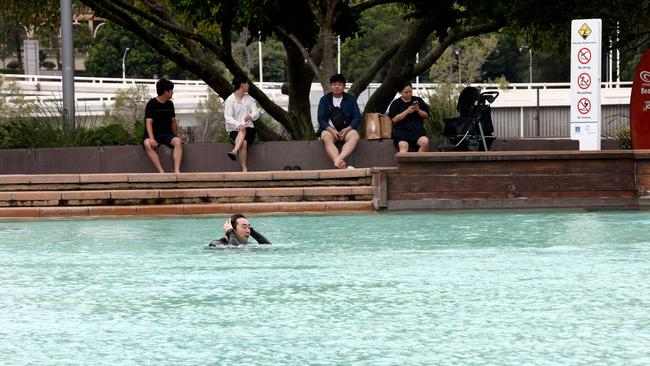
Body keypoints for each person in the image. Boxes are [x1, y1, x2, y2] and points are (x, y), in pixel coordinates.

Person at [317, 74, 362, 169]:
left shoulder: (350, 99)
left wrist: (347, 129)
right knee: (326, 139)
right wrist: (331, 130)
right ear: (330, 86)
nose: (337, 87)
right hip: (329, 130)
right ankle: (341, 164)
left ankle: (338, 160)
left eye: (340, 84)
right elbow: (321, 119)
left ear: (344, 86)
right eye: (334, 84)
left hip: (347, 129)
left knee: (355, 136)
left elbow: (357, 117)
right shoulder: (324, 100)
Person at [142, 78, 183, 173]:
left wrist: (175, 136)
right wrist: (151, 138)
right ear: (166, 91)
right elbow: (148, 122)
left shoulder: (170, 104)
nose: (172, 93)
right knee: (147, 144)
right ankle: (161, 171)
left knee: (177, 141)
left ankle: (177, 171)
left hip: (166, 134)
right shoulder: (152, 104)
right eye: (171, 90)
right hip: (153, 134)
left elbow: (173, 121)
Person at [224, 75, 261, 172]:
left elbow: (256, 113)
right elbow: (228, 117)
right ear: (242, 85)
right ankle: (244, 169)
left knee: (243, 129)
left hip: (249, 130)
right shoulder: (230, 100)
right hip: (234, 131)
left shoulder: (249, 99)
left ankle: (235, 151)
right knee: (243, 142)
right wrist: (238, 125)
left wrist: (251, 116)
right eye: (247, 84)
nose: (249, 86)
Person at [387, 81, 430, 153]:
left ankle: (419, 163)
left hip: (417, 132)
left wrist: (418, 110)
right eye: (406, 92)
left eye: (410, 91)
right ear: (400, 92)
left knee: (425, 142)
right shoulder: (396, 103)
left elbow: (426, 115)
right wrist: (406, 112)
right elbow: (394, 120)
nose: (409, 94)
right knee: (403, 147)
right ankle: (404, 164)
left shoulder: (418, 100)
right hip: (401, 133)